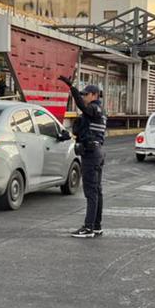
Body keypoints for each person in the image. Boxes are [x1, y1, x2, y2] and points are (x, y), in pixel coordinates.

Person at [59, 76, 107, 238]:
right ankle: (96, 226)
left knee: (91, 192)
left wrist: (71, 88)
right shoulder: (96, 112)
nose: (84, 97)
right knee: (97, 191)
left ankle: (88, 228)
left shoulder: (94, 109)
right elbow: (81, 130)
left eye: (86, 94)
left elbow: (81, 105)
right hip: (96, 153)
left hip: (92, 154)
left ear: (94, 95)